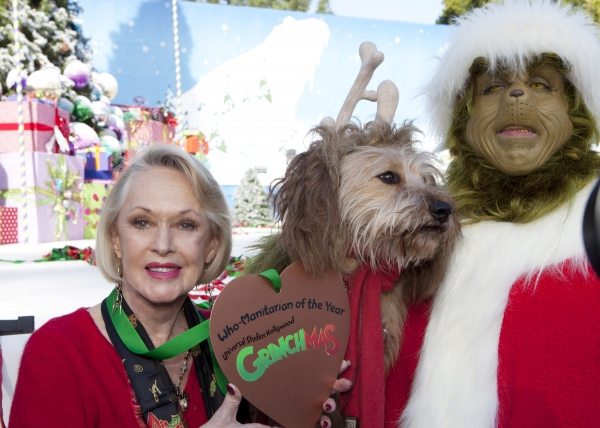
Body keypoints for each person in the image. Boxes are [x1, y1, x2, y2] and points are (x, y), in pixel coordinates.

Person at [9, 144, 345, 427]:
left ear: (210, 245)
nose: (163, 243)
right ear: (115, 240)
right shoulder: (58, 353)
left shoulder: (235, 338)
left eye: (186, 224)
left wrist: (302, 398)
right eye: (142, 222)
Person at [387, 1, 600, 427]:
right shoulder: (414, 228)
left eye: (541, 84)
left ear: (574, 112)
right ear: (464, 120)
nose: (516, 95)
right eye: (492, 87)